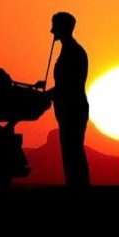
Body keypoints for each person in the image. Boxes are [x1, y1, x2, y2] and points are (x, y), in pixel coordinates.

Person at [46, 12, 90, 189]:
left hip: (73, 108)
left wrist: (48, 94)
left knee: (73, 151)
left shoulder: (73, 52)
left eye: (55, 26)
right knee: (72, 150)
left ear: (63, 28)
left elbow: (69, 84)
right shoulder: (70, 50)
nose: (51, 31)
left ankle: (78, 189)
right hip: (69, 108)